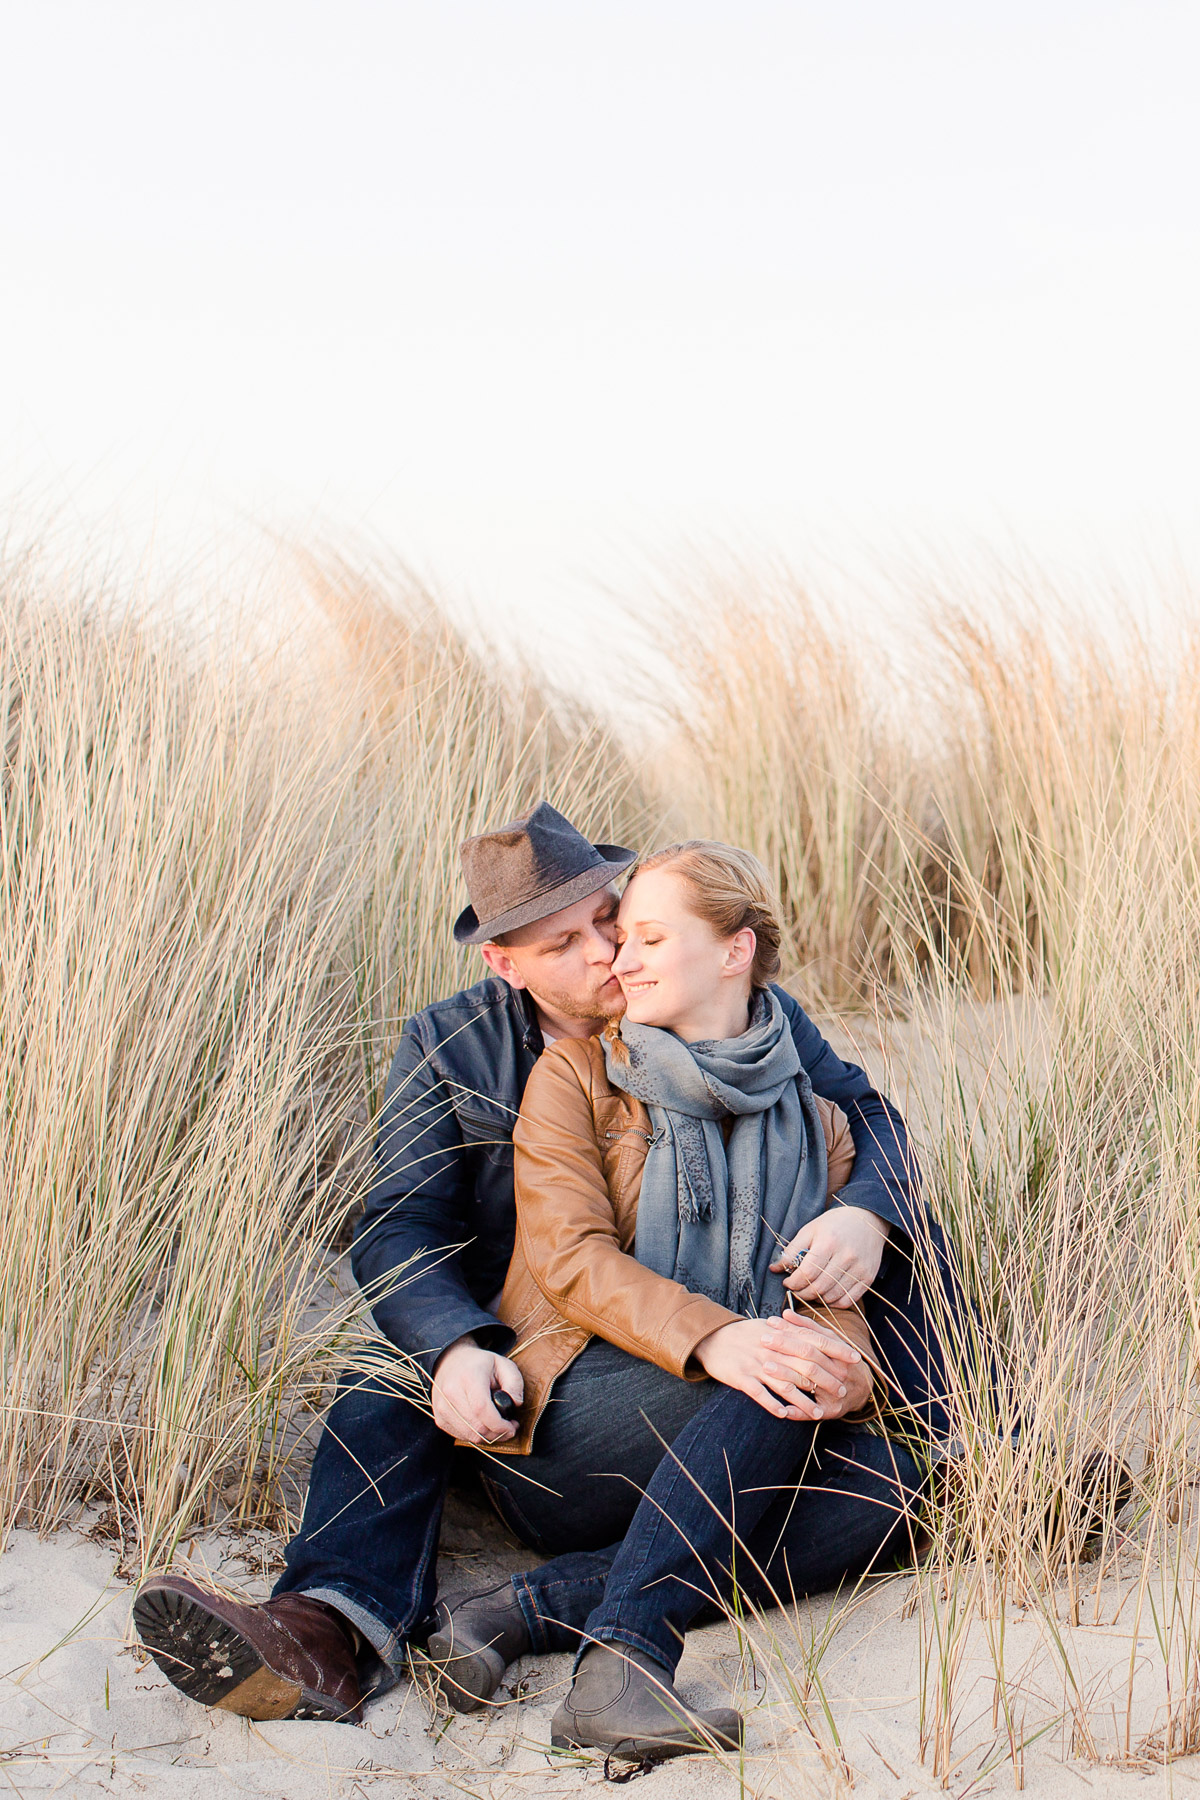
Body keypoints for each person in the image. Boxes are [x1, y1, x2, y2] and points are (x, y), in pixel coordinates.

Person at [132, 803, 954, 1729]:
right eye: (566, 943)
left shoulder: (750, 1019)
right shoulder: (464, 1047)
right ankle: (322, 1630)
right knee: (383, 1386)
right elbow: (402, 1225)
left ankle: (543, 1607)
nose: (606, 953)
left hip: (677, 1337)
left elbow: (865, 1122)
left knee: (880, 1432)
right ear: (503, 963)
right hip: (520, 1336)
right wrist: (455, 1345)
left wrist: (864, 1216)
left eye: (613, 920)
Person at [430, 841, 924, 1760]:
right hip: (570, 1423)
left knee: (899, 1486)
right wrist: (720, 1339)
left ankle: (525, 1611)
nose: (619, 958)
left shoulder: (818, 1116)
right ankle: (623, 1659)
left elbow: (831, 1295)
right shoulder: (573, 1079)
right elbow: (572, 1260)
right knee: (775, 1370)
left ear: (734, 951)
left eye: (646, 936)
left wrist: (847, 1365)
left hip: (730, 1431)